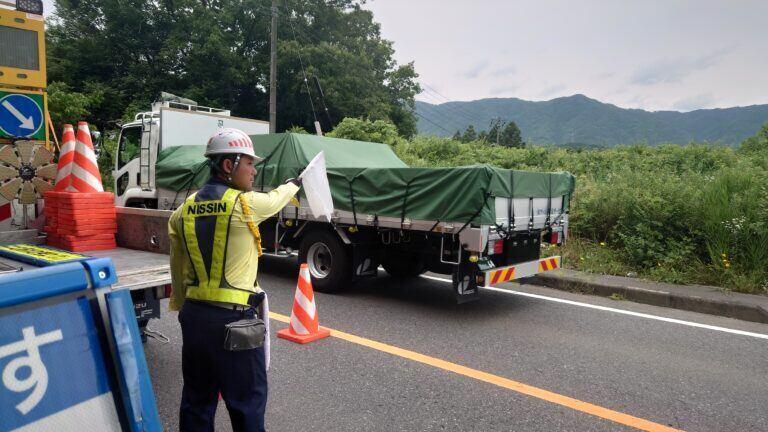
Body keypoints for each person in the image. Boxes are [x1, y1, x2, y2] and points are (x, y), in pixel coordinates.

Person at [168, 128, 301, 432]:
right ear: (229, 165)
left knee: (197, 402)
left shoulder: (182, 211)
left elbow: (178, 268)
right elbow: (275, 199)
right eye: (250, 164)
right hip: (234, 322)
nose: (254, 171)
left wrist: (181, 306)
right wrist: (293, 184)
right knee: (246, 405)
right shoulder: (244, 205)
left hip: (195, 319)